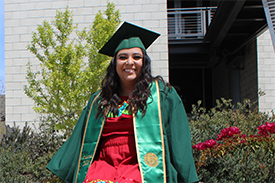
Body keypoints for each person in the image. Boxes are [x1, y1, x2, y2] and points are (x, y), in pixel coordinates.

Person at [47, 21, 199, 183]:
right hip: (104, 165)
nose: (129, 62)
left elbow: (178, 138)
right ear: (115, 63)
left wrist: (188, 177)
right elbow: (80, 139)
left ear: (144, 62)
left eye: (136, 57)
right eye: (122, 57)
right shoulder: (99, 100)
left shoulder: (161, 94)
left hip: (142, 166)